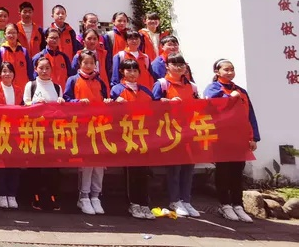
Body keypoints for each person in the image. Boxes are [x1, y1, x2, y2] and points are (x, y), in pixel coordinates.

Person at [203, 59, 260, 223]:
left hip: (239, 137)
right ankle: (225, 205)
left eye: (232, 69)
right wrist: (228, 97)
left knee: (237, 172)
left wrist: (253, 137)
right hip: (221, 138)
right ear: (217, 72)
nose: (229, 72)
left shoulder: (241, 91)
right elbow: (210, 106)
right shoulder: (212, 89)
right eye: (226, 69)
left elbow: (250, 115)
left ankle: (238, 204)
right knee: (223, 171)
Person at [63, 49, 112, 215]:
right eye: (85, 62)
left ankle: (96, 195)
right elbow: (66, 99)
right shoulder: (73, 80)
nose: (89, 66)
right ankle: (83, 196)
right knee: (86, 163)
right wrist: (77, 102)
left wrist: (108, 101)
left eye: (91, 63)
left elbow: (106, 98)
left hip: (99, 126)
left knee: (99, 163)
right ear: (80, 63)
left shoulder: (100, 81)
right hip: (82, 127)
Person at [152, 53, 200, 218]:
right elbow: (152, 106)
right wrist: (164, 103)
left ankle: (186, 200)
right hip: (170, 132)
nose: (179, 68)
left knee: (189, 166)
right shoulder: (162, 84)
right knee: (174, 168)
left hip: (189, 130)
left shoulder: (192, 86)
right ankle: (174, 200)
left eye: (181, 65)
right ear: (167, 66)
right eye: (174, 64)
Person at [110, 59, 156, 220]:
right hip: (127, 136)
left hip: (144, 137)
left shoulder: (146, 91)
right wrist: (115, 103)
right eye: (128, 70)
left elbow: (156, 110)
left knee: (144, 172)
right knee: (131, 172)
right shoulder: (117, 90)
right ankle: (133, 203)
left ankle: (144, 203)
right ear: (122, 72)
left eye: (135, 70)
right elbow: (110, 112)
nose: (132, 73)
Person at [25, 57, 64, 212]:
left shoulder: (57, 87)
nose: (44, 71)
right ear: (36, 69)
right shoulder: (31, 85)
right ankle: (35, 196)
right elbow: (25, 104)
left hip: (52, 133)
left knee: (52, 167)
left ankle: (52, 196)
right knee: (35, 166)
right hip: (35, 131)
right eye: (41, 68)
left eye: (47, 68)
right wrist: (35, 104)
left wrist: (61, 102)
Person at [0, 62, 23, 209]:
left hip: (15, 133)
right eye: (4, 71)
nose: (7, 74)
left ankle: (12, 194)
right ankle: (1, 193)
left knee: (14, 164)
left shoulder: (19, 90)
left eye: (10, 71)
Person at [0, 23, 32, 90]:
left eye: (14, 33)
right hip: (5, 89)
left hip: (22, 89)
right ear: (5, 35)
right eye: (9, 33)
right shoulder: (0, 51)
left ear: (18, 34)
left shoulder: (24, 51)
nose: (11, 35)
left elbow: (30, 71)